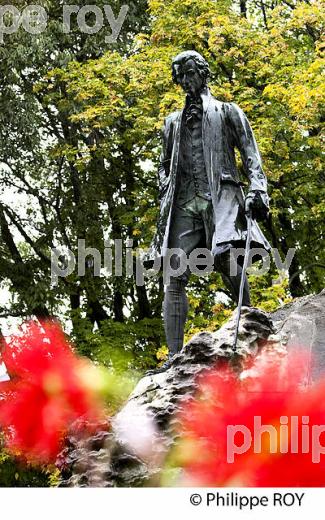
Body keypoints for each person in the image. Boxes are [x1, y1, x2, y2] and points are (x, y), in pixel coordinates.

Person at [145, 50, 270, 373]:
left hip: (221, 196)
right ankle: (173, 359)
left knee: (228, 260)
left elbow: (250, 155)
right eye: (181, 77)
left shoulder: (227, 112)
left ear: (203, 73)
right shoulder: (172, 123)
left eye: (190, 74)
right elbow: (162, 165)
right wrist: (166, 185)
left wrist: (258, 190)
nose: (186, 82)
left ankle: (248, 331)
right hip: (184, 202)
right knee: (173, 274)